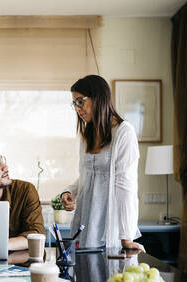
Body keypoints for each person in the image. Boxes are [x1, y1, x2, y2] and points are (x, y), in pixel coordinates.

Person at [61, 75, 145, 251]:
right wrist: (70, 191)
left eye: (80, 101)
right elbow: (88, 176)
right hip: (84, 223)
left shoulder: (124, 133)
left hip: (109, 227)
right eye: (74, 104)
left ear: (98, 98)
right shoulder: (87, 136)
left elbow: (126, 187)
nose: (77, 108)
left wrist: (126, 238)